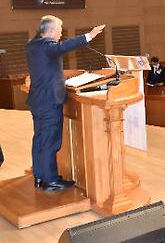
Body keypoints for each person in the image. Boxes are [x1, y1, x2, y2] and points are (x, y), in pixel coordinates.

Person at [26, 16, 105, 191]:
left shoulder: (32, 45)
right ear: (52, 31)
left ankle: (39, 176)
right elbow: (63, 47)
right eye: (60, 29)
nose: (61, 33)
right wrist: (89, 35)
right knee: (50, 141)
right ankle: (51, 180)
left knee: (39, 139)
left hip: (37, 101)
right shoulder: (48, 47)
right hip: (49, 102)